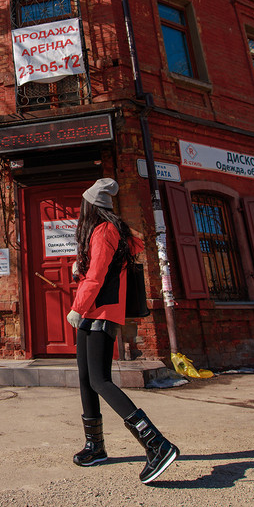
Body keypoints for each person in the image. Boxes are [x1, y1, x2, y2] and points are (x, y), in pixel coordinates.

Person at [67, 178, 179, 485]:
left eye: (83, 204)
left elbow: (100, 275)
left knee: (100, 380)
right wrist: (81, 268)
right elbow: (98, 269)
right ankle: (96, 446)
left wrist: (78, 306)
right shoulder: (104, 232)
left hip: (101, 312)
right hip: (94, 311)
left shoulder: (104, 231)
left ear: (91, 206)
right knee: (85, 379)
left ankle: (156, 443)